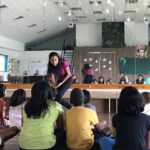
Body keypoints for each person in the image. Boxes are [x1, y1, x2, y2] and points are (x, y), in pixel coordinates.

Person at [19, 81, 64, 150]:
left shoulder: (25, 106)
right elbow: (60, 127)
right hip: (47, 146)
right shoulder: (56, 106)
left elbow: (23, 125)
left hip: (24, 145)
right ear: (49, 92)